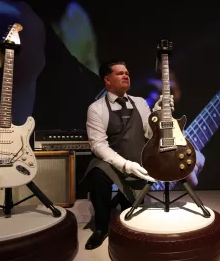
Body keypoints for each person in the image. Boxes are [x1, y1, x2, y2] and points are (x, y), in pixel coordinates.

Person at [82, 60, 205, 250]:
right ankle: (100, 228)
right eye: (120, 73)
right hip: (112, 163)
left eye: (127, 73)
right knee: (97, 172)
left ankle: (123, 203)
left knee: (128, 218)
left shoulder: (139, 102)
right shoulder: (96, 108)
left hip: (140, 161)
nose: (126, 76)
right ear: (107, 80)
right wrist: (124, 165)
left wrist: (158, 111)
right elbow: (98, 145)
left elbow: (150, 133)